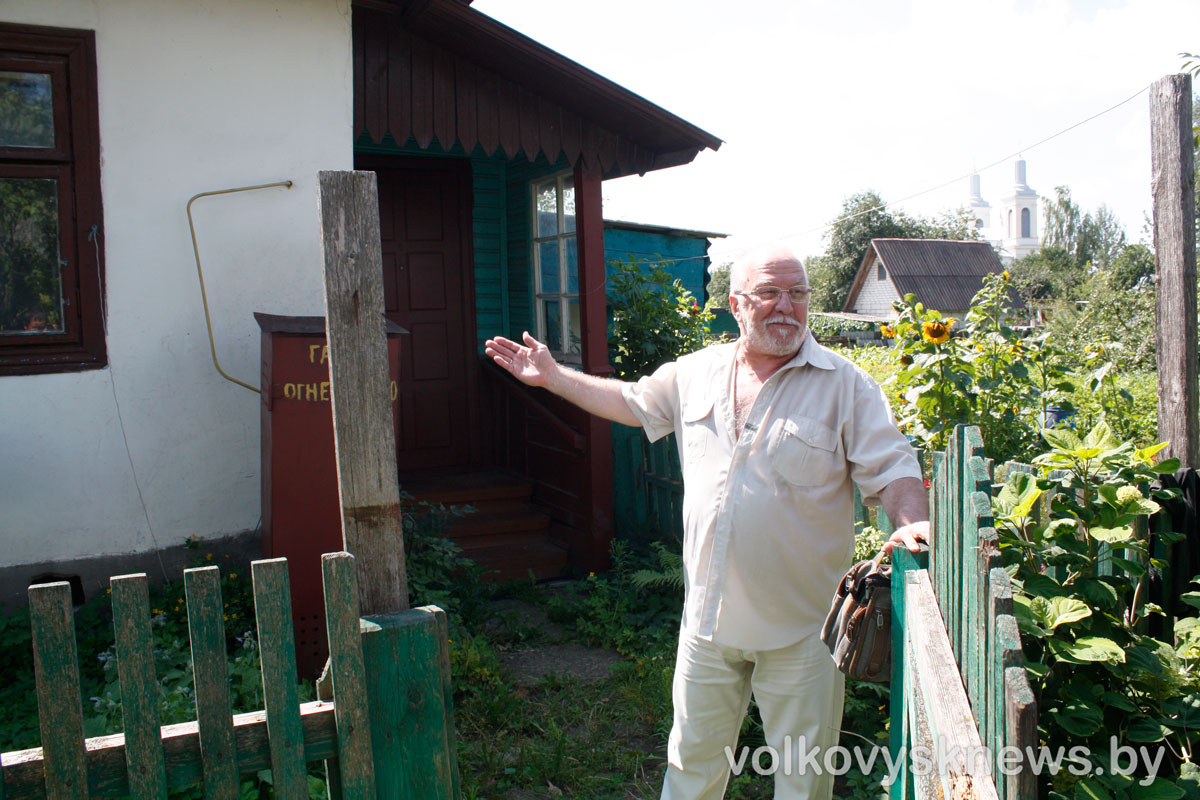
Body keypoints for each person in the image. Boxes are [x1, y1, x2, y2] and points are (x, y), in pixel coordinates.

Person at [485, 244, 929, 800]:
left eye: (798, 294)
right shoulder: (696, 372)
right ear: (737, 304)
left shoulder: (847, 385)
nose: (786, 307)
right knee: (691, 767)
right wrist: (552, 377)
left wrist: (911, 523)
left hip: (803, 633)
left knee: (804, 780)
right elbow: (630, 402)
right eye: (769, 293)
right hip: (707, 626)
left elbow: (894, 467)